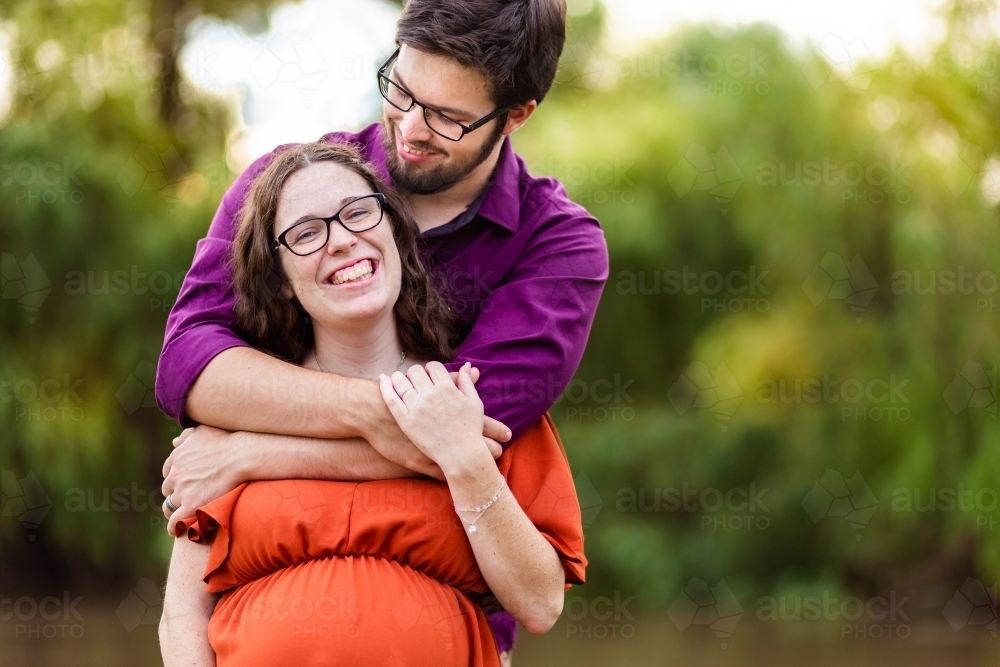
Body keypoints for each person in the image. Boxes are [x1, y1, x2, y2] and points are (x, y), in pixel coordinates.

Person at [157, 0, 608, 656]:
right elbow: (188, 362)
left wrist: (255, 453)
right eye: (401, 87)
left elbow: (462, 440)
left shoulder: (557, 245)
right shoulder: (286, 188)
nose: (410, 126)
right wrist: (381, 408)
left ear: (518, 114)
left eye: (448, 117)